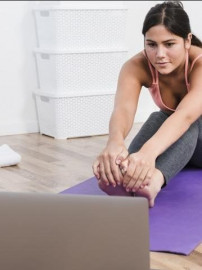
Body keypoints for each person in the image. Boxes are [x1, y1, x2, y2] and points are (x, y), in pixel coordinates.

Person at [92, 1, 202, 207]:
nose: (159, 54)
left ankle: (152, 181)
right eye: (151, 44)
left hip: (199, 141)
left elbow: (185, 116)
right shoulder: (135, 66)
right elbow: (123, 110)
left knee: (185, 120)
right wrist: (115, 143)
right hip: (186, 148)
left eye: (169, 44)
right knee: (158, 117)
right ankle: (125, 174)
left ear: (187, 41)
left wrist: (148, 153)